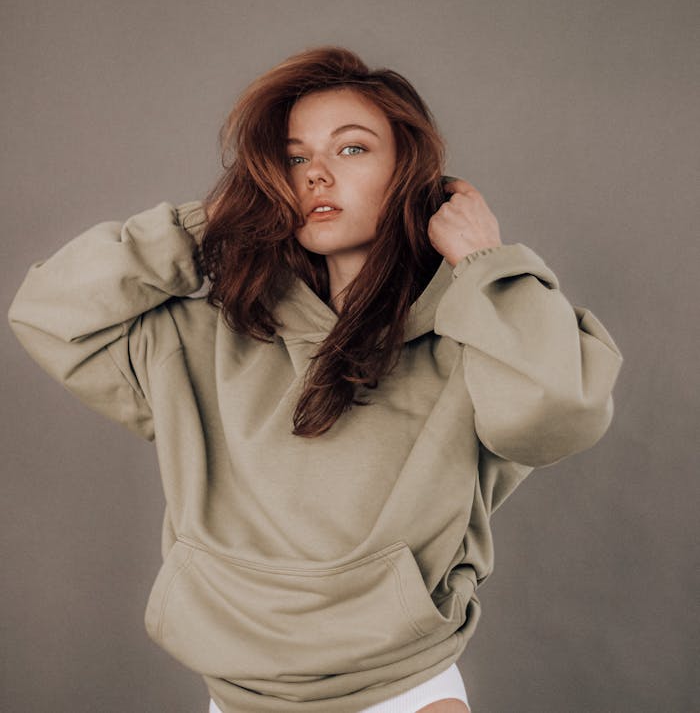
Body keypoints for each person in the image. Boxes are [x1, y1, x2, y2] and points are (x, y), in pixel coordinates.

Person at [7, 45, 624, 713]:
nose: (316, 176)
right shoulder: (208, 339)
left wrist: (482, 259)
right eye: (295, 157)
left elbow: (556, 415)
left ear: (410, 173)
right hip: (239, 696)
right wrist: (210, 222)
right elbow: (48, 313)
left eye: (352, 149)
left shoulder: (478, 334)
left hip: (402, 693)